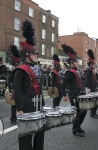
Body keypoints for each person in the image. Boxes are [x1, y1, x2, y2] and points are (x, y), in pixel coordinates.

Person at [13, 19, 45, 150]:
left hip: (39, 104)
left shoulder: (39, 69)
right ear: (27, 56)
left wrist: (43, 104)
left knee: (40, 132)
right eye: (33, 53)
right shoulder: (20, 70)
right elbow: (16, 90)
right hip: (27, 105)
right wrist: (19, 109)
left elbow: (41, 89)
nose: (36, 55)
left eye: (36, 53)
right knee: (26, 135)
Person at [61, 44, 87, 137]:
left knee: (83, 110)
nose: (77, 63)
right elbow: (63, 84)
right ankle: (75, 130)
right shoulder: (70, 73)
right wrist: (64, 95)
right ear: (71, 64)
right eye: (76, 62)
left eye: (77, 62)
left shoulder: (76, 72)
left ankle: (78, 126)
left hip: (79, 94)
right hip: (73, 95)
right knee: (77, 112)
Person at [7, 45, 21, 125]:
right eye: (18, 64)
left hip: (19, 89)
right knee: (13, 105)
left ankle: (17, 117)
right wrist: (10, 92)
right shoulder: (13, 71)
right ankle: (13, 118)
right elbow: (9, 81)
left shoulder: (19, 71)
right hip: (13, 89)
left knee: (18, 104)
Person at [85, 49, 98, 118]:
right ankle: (92, 113)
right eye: (93, 64)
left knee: (95, 101)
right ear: (91, 65)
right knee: (93, 101)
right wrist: (88, 88)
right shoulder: (89, 71)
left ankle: (94, 112)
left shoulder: (93, 71)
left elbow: (96, 78)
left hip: (94, 87)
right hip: (91, 87)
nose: (94, 65)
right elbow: (86, 80)